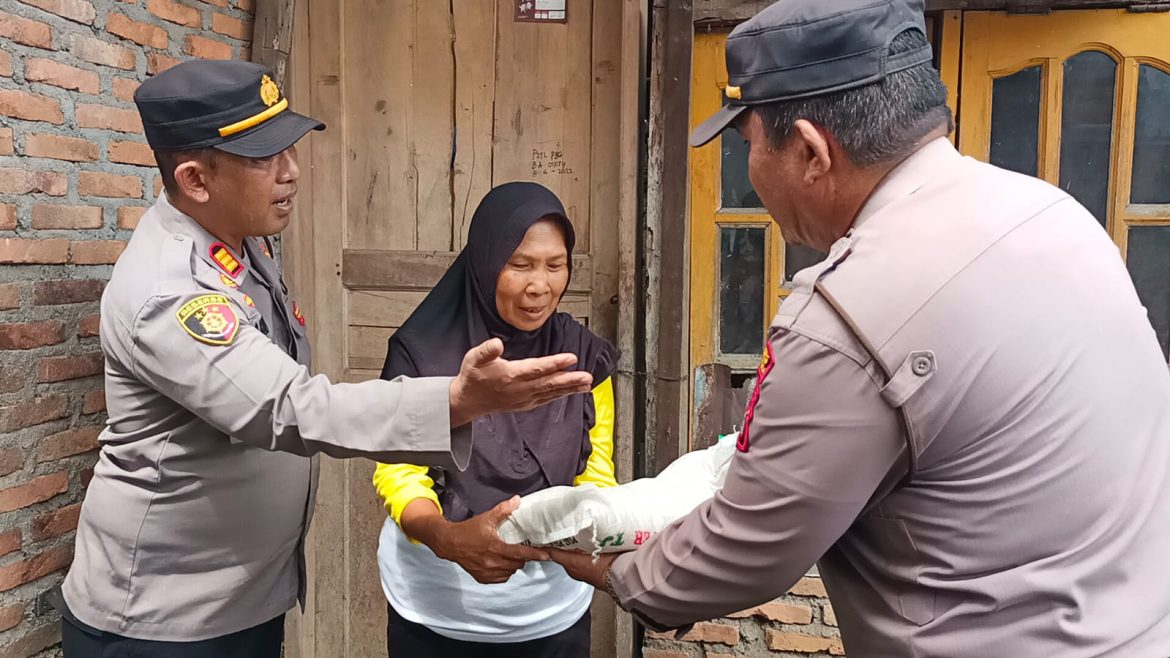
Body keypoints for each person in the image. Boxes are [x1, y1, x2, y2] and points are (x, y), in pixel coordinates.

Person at [552, 1, 1170, 656]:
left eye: (751, 145)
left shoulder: (849, 316)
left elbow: (736, 557)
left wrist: (610, 564)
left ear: (813, 153)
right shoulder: (1053, 212)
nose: (751, 170)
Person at [55, 60, 590, 657]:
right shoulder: (170, 292)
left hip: (233, 598)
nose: (292, 172)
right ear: (196, 180)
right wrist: (457, 400)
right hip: (162, 620)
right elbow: (286, 405)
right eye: (265, 158)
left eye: (289, 148)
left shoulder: (238, 244)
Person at [373, 182, 619, 658]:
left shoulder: (582, 356)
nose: (539, 285)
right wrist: (448, 539)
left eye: (555, 265)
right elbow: (399, 471)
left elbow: (597, 470)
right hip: (437, 610)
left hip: (551, 611)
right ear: (486, 262)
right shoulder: (422, 352)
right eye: (520, 264)